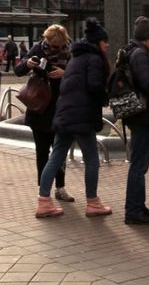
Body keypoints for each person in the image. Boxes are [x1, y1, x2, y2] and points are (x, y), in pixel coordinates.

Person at [35, 17, 112, 218]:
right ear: (97, 42)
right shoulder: (94, 59)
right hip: (82, 117)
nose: (108, 45)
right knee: (92, 159)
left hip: (65, 115)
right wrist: (106, 95)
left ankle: (44, 202)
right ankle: (93, 203)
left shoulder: (76, 57)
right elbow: (95, 86)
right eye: (105, 42)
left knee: (55, 157)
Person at [14, 25, 74, 202]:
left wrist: (65, 73)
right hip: (39, 108)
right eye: (50, 43)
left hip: (61, 107)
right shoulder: (38, 48)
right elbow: (18, 71)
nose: (52, 48)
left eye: (56, 46)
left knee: (60, 151)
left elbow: (79, 75)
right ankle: (43, 189)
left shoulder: (71, 52)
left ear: (63, 42)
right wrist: (28, 63)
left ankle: (60, 187)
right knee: (42, 151)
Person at [123, 16, 149, 226]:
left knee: (139, 163)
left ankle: (139, 205)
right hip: (141, 115)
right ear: (148, 38)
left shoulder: (132, 51)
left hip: (136, 115)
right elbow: (147, 83)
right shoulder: (140, 54)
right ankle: (133, 210)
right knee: (139, 165)